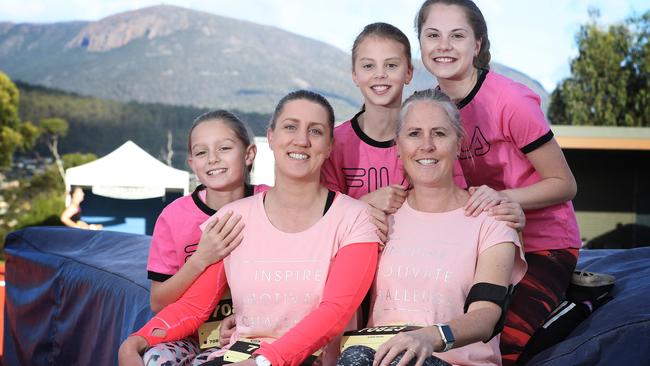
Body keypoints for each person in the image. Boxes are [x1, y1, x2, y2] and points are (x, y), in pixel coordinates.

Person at [118, 90, 381, 366]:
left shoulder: (355, 219)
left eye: (315, 131)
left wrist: (263, 361)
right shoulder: (236, 216)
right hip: (238, 356)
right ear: (271, 137)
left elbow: (335, 312)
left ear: (329, 146)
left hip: (305, 358)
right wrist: (135, 342)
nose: (301, 140)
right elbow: (194, 306)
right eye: (290, 127)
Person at [414, 1, 581, 364]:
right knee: (458, 334)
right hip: (483, 242)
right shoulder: (431, 107)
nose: (444, 45)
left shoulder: (510, 100)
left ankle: (575, 307)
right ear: (421, 44)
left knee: (505, 345)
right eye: (433, 35)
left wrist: (503, 198)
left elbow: (565, 183)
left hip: (543, 242)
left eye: (457, 35)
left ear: (477, 45)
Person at [337, 89, 527, 366]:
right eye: (414, 134)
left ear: (458, 144)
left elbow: (486, 316)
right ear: (398, 147)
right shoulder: (379, 217)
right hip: (372, 358)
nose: (426, 145)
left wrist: (429, 337)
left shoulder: (491, 219)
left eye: (439, 133)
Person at [143, 110, 269, 365]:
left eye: (224, 148)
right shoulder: (174, 216)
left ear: (249, 154)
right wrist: (201, 258)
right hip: (188, 335)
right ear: (191, 162)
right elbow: (158, 302)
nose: (212, 159)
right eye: (201, 152)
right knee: (156, 358)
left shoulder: (271, 202)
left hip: (255, 334)